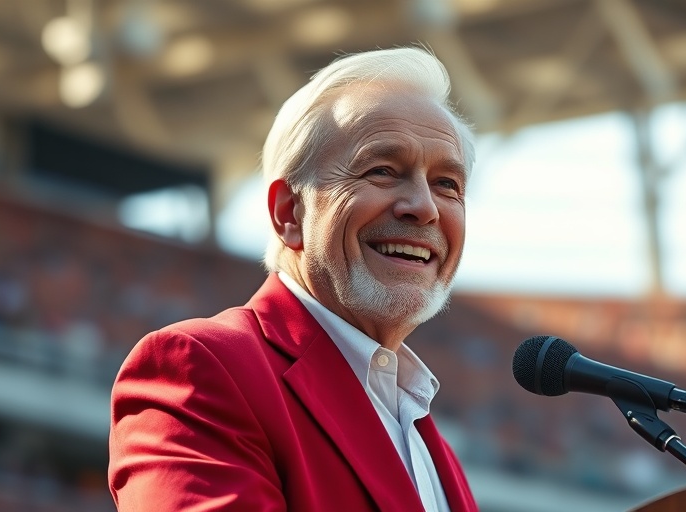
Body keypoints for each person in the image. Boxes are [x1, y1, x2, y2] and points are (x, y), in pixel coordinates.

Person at [108, 46, 479, 511]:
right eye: (382, 170)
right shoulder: (199, 370)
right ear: (289, 213)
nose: (424, 207)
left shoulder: (435, 450)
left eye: (448, 184)